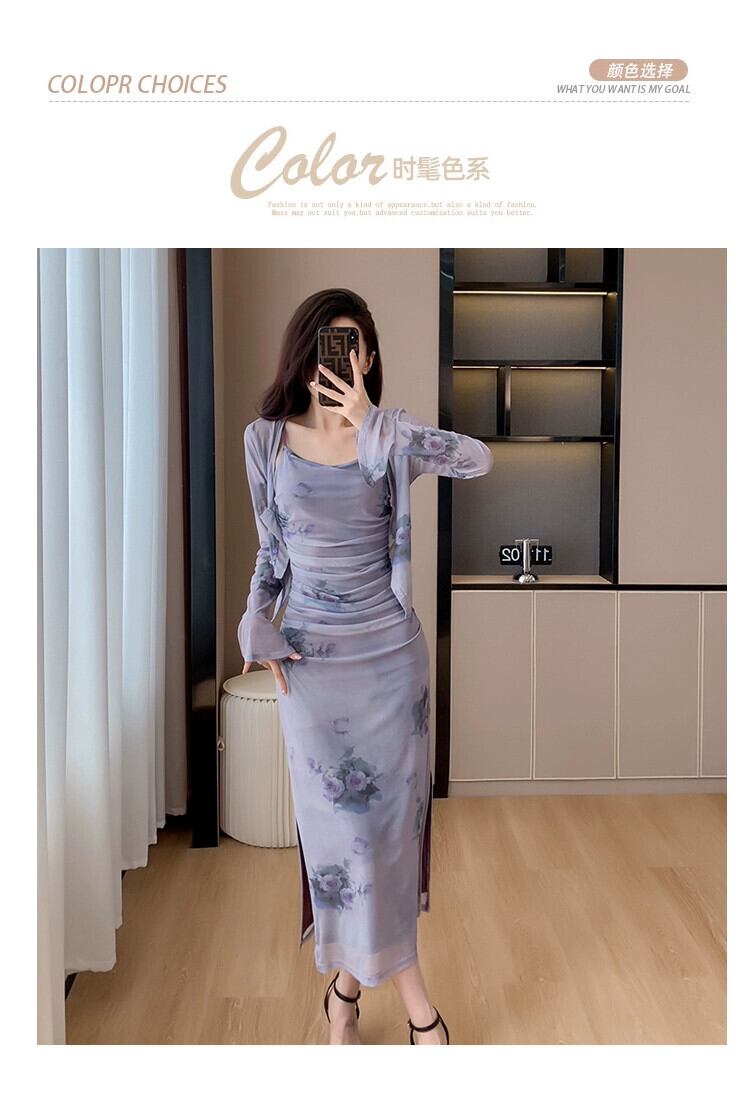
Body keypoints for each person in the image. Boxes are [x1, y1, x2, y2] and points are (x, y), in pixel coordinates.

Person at [238, 288, 493, 1044]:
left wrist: (378, 422)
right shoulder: (266, 441)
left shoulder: (388, 437)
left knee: (386, 839)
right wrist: (254, 617)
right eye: (328, 341)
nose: (340, 356)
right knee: (342, 841)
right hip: (311, 668)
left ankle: (345, 997)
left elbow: (477, 459)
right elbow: (271, 555)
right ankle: (419, 1015)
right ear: (303, 353)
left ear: (369, 358)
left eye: (353, 344)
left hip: (390, 662)